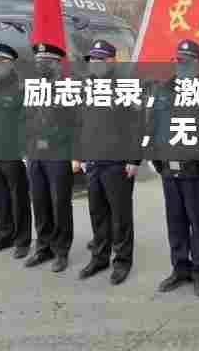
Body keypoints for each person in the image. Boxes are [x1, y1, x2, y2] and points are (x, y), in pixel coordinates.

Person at [149, 39, 199, 297]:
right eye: (178, 61)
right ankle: (179, 268)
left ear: (198, 63)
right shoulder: (165, 88)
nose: (180, 66)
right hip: (170, 171)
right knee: (176, 223)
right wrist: (155, 158)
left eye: (186, 62)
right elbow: (154, 123)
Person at [73, 39, 143, 285]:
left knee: (120, 216)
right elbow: (80, 124)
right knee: (98, 213)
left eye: (101, 59)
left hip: (117, 163)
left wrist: (134, 159)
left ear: (112, 61)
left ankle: (122, 261)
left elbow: (137, 127)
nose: (96, 63)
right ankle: (99, 257)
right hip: (93, 162)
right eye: (92, 59)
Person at [24, 43, 75, 273]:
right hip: (35, 154)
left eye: (45, 61)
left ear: (56, 64)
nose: (40, 65)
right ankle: (43, 247)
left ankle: (61, 250)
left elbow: (77, 124)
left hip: (58, 154)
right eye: (38, 61)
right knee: (40, 201)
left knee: (59, 203)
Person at [0, 42, 31, 259]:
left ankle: (22, 240)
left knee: (18, 198)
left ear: (10, 64)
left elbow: (28, 122)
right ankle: (4, 236)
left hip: (12, 153)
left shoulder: (21, 88)